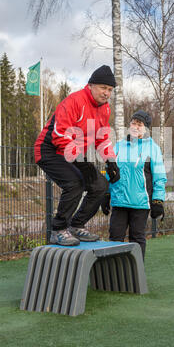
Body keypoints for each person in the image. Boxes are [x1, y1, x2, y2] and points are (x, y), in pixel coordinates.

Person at [35, 65, 120, 246]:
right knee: (75, 183)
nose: (107, 93)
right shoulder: (74, 101)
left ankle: (77, 225)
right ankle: (58, 230)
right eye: (103, 88)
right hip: (49, 150)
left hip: (73, 155)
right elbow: (60, 136)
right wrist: (82, 162)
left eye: (110, 90)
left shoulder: (105, 109)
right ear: (91, 85)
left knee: (100, 185)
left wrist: (111, 161)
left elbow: (102, 138)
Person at [101, 110, 166, 259]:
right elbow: (110, 172)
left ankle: (135, 275)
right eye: (133, 123)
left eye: (140, 124)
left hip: (140, 203)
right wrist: (106, 193)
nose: (135, 126)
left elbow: (160, 177)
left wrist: (158, 200)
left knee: (136, 239)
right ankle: (115, 272)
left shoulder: (153, 148)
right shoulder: (118, 146)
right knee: (115, 239)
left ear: (146, 128)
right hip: (119, 201)